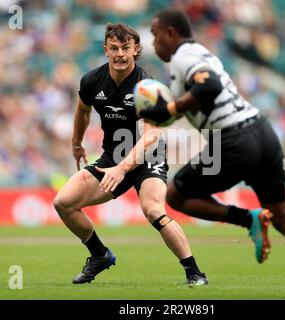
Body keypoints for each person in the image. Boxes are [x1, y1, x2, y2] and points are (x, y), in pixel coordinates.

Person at [139, 8, 285, 297]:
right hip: (262, 131)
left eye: (155, 35)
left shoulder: (183, 55)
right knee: (283, 216)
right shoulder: (201, 54)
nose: (154, 42)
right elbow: (203, 95)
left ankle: (248, 219)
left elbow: (208, 85)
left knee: (176, 195)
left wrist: (171, 109)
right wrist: (166, 113)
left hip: (234, 139)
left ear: (170, 33)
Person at [53, 23, 208, 286]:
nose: (120, 54)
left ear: (136, 50)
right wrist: (76, 143)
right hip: (112, 157)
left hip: (148, 158)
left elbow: (151, 136)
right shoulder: (91, 80)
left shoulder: (147, 88)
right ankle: (100, 255)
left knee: (152, 210)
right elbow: (83, 111)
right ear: (105, 51)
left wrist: (122, 169)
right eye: (114, 48)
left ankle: (194, 272)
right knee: (63, 202)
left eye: (126, 48)